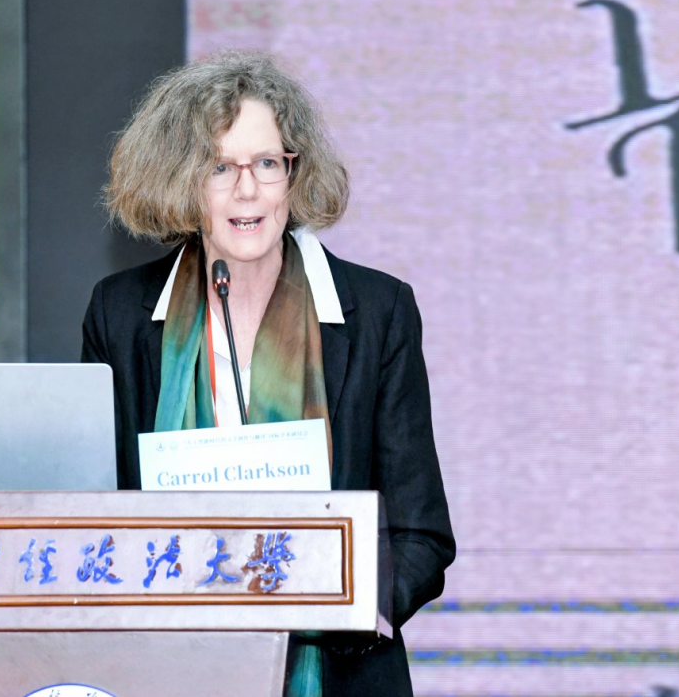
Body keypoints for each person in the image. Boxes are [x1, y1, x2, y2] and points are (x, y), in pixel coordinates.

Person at [81, 51, 454, 697]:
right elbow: (90, 513)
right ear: (180, 181)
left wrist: (343, 606)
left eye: (266, 164)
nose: (246, 190)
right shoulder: (121, 314)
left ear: (294, 174)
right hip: (166, 672)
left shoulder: (377, 311)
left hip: (336, 674)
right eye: (218, 167)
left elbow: (420, 535)